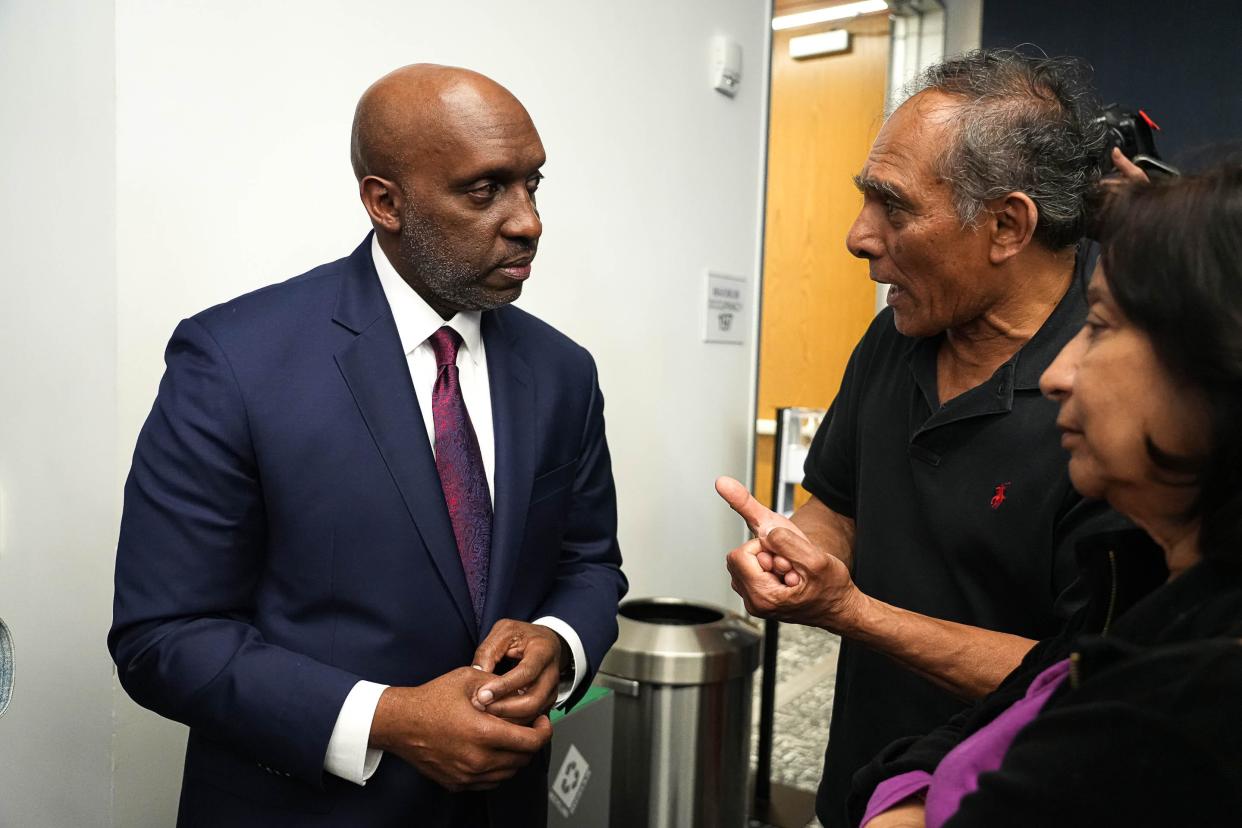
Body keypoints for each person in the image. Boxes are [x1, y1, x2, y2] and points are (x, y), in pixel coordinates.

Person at [108, 64, 627, 827]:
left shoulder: (563, 372)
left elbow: (589, 564)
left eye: (533, 184)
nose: (528, 222)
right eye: (485, 190)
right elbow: (164, 637)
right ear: (385, 201)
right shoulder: (234, 360)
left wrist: (558, 642)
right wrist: (390, 720)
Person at [716, 49, 1128, 826]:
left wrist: (853, 612)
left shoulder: (1112, 390)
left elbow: (1085, 678)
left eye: (893, 207)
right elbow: (835, 505)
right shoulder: (897, 336)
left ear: (1008, 224)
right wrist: (798, 556)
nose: (856, 236)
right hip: (859, 786)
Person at [850, 163, 1242, 827]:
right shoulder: (1139, 583)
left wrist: (849, 611)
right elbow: (1019, 700)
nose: (1060, 373)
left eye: (1101, 325)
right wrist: (904, 795)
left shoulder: (1195, 705)